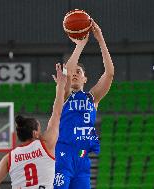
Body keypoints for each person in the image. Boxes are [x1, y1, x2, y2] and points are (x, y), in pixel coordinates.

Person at [54, 20, 114, 188]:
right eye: (74, 72)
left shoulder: (92, 98)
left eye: (78, 72)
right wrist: (80, 45)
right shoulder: (64, 94)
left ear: (85, 78)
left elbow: (109, 74)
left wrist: (100, 39)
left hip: (82, 159)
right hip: (63, 154)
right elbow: (67, 72)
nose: (75, 74)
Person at [0, 63, 67, 189]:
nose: (41, 133)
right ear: (35, 133)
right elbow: (57, 113)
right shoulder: (46, 144)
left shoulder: (9, 158)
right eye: (40, 129)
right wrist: (61, 86)